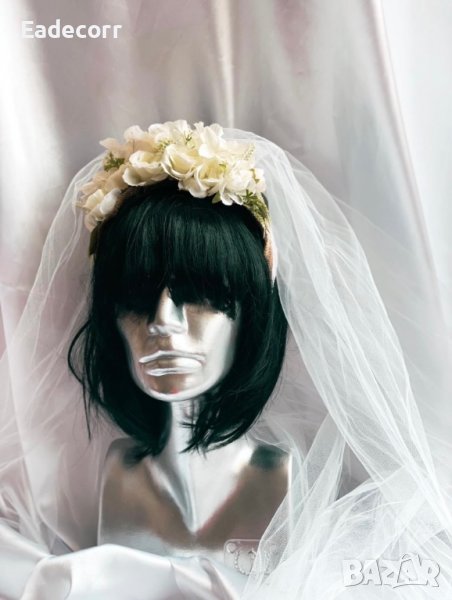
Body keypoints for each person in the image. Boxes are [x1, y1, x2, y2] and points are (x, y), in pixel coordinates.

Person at [0, 121, 451, 599]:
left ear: (248, 317)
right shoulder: (99, 481)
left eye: (200, 296)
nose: (163, 322)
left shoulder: (292, 488)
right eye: (135, 299)